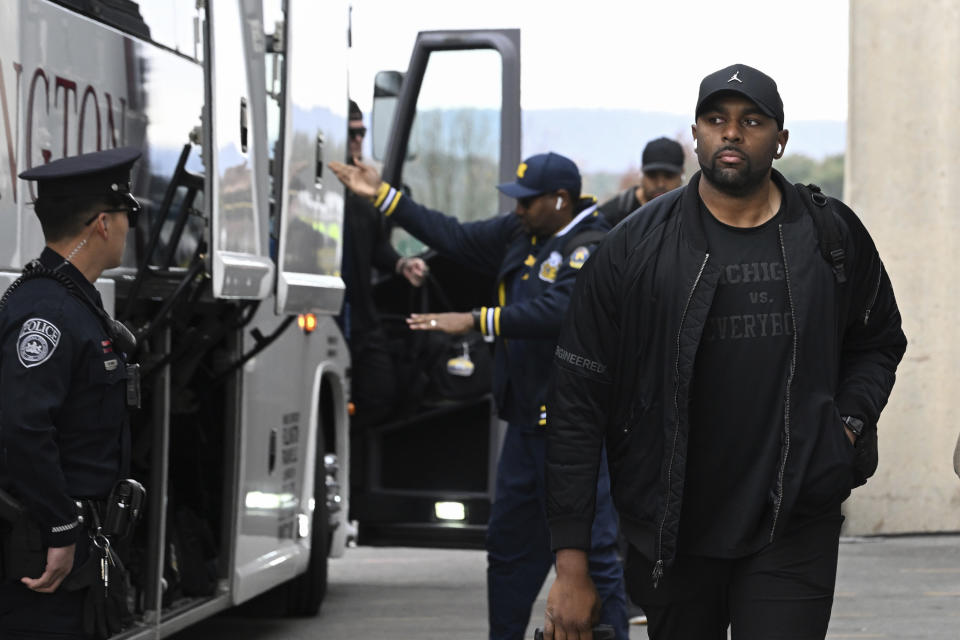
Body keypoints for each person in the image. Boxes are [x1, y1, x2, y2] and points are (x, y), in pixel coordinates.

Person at [542, 64, 907, 640]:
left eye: (751, 121)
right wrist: (571, 564)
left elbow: (878, 340)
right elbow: (576, 404)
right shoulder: (632, 249)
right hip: (671, 531)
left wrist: (848, 426)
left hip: (795, 518)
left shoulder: (830, 236)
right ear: (696, 134)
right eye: (717, 120)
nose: (731, 134)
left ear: (781, 140)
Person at [330, 151, 628, 640]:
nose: (517, 210)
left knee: (592, 554)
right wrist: (383, 197)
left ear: (560, 199)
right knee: (508, 548)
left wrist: (475, 319)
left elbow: (561, 310)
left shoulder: (593, 243)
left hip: (578, 432)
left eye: (527, 202)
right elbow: (454, 235)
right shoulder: (522, 233)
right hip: (525, 425)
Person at [0, 147, 143, 638]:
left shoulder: (70, 302)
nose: (129, 227)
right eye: (127, 214)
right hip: (42, 545)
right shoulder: (50, 314)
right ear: (102, 223)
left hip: (69, 538)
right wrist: (60, 527)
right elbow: (21, 425)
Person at [341, 100, 426, 426]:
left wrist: (402, 264)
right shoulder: (307, 185)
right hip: (325, 314)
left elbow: (377, 247)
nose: (359, 140)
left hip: (362, 316)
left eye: (362, 132)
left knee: (380, 393)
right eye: (351, 134)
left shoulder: (364, 189)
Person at [598, 136, 685, 226]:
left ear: (682, 172)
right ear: (642, 172)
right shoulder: (610, 216)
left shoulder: (692, 211)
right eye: (652, 175)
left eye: (669, 175)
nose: (660, 184)